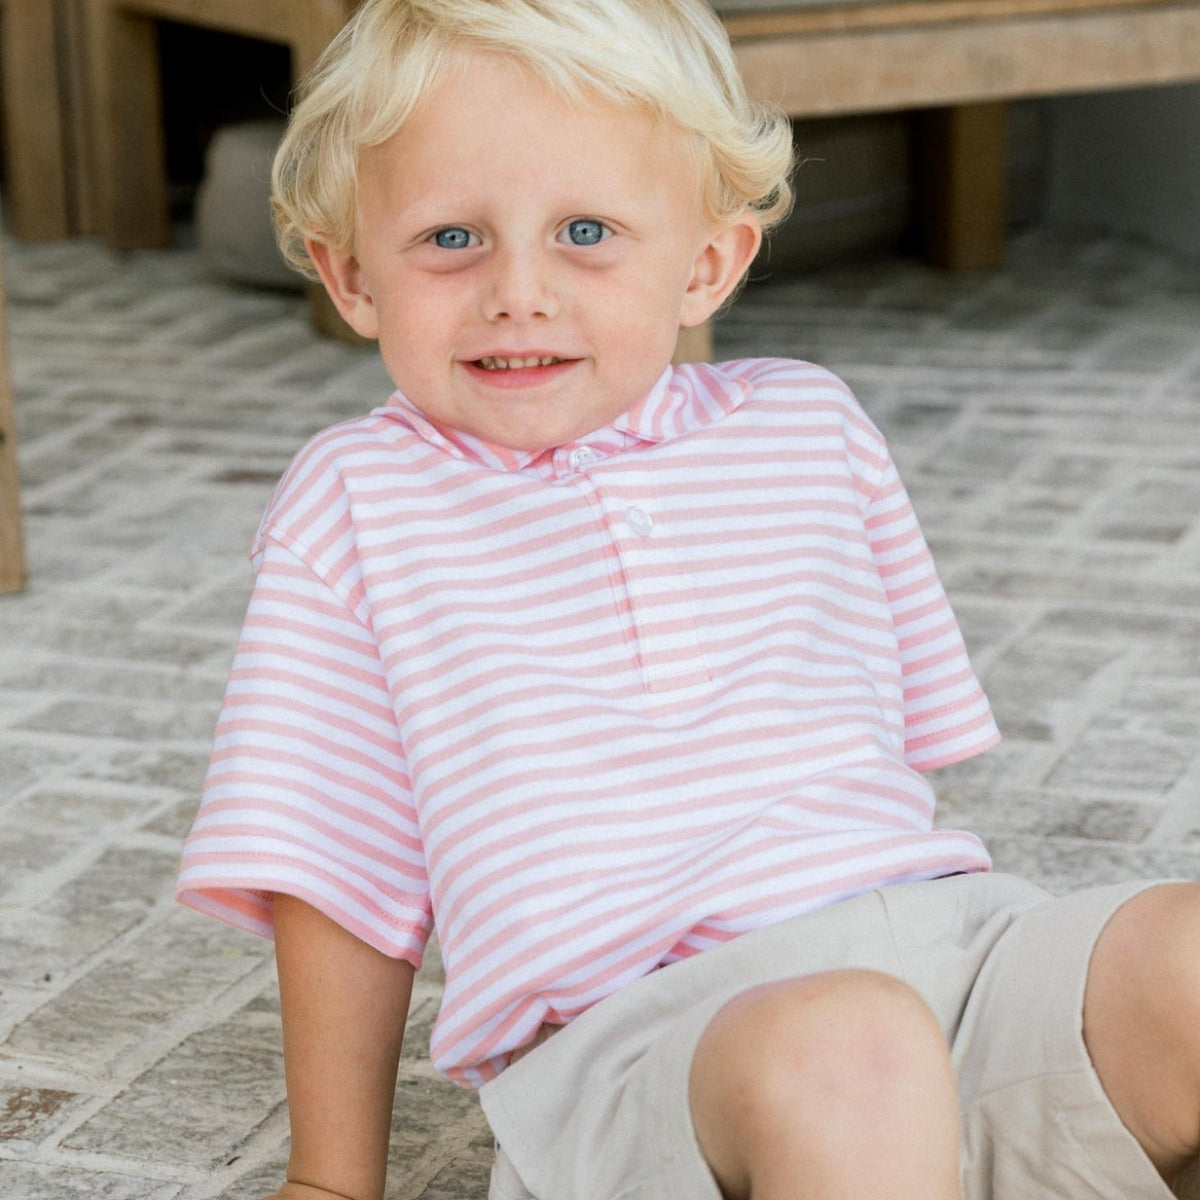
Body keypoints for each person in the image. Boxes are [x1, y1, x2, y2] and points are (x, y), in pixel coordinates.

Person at [175, 1, 1200, 1198]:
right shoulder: (359, 503)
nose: (519, 289)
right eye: (451, 239)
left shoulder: (811, 429)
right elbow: (333, 864)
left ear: (707, 262)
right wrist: (332, 1183)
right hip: (651, 1052)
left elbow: (899, 760)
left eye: (587, 231)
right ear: (351, 275)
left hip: (951, 967)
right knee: (851, 1047)